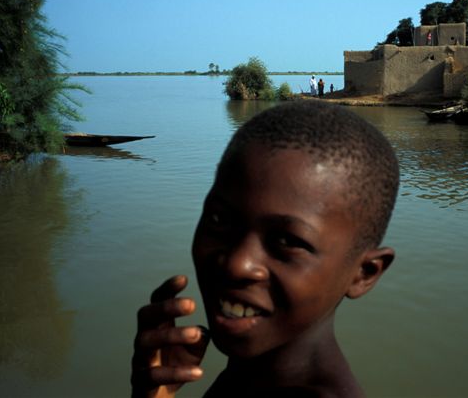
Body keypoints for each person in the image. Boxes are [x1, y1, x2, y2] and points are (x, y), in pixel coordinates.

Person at [131, 100, 400, 398]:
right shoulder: (251, 375)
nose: (237, 263)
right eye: (220, 220)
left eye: (287, 242)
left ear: (364, 273)